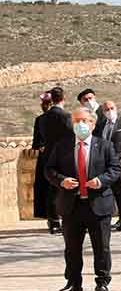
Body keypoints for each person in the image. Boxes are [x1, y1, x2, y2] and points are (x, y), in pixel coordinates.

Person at [45, 106, 121, 291]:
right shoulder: (62, 146)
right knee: (72, 247)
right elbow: (49, 170)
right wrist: (62, 181)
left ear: (92, 124)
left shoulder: (104, 145)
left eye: (83, 120)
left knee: (101, 246)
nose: (79, 124)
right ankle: (73, 281)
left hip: (98, 203)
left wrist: (101, 181)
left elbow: (115, 169)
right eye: (76, 121)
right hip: (72, 205)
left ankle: (102, 281)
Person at [95, 100, 121, 231]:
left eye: (112, 108)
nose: (109, 111)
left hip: (120, 164)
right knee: (114, 192)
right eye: (106, 109)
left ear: (116, 108)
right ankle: (120, 219)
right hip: (105, 166)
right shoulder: (101, 125)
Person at [40, 86, 73, 234]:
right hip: (62, 155)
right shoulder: (65, 116)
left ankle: (53, 221)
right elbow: (70, 136)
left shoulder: (42, 118)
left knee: (50, 189)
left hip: (47, 155)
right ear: (63, 99)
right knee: (62, 187)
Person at [32, 92, 59, 234]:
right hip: (50, 159)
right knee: (50, 190)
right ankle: (53, 220)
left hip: (52, 158)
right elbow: (36, 142)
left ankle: (55, 220)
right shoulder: (41, 120)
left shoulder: (44, 119)